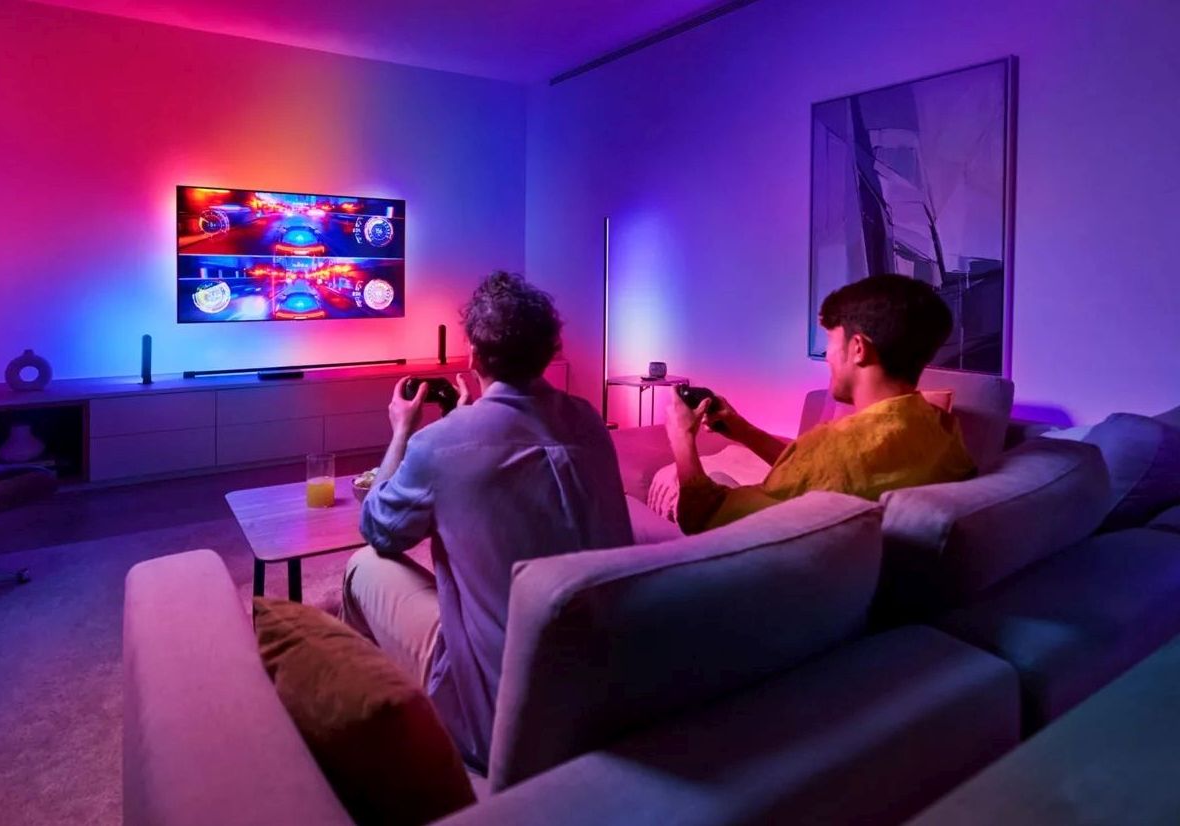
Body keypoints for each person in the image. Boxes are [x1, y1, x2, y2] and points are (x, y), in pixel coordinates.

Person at [342, 271, 632, 770]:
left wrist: (402, 432)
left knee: (362, 564)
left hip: (499, 718)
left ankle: (365, 731)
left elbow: (379, 528)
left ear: (473, 356)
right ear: (551, 351)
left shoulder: (438, 444)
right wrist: (465, 419)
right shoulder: (590, 420)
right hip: (608, 700)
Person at [667, 274, 975, 534]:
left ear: (858, 348)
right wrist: (743, 431)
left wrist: (682, 439)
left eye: (831, 341)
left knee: (695, 481)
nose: (827, 356)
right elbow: (811, 474)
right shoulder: (943, 430)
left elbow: (701, 517)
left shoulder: (834, 446)